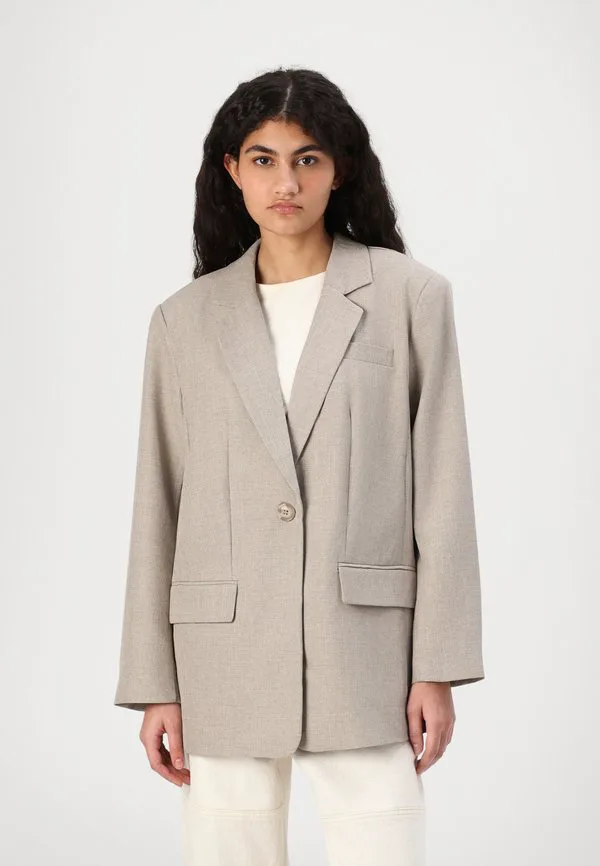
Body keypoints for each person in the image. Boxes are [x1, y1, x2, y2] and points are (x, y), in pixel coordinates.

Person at [114, 66, 485, 866]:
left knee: (383, 845)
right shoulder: (184, 321)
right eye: (263, 159)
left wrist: (439, 667)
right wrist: (154, 683)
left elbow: (443, 491)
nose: (285, 182)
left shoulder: (410, 297)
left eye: (307, 159)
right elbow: (157, 502)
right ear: (232, 169)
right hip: (222, 650)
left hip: (367, 647)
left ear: (339, 169)